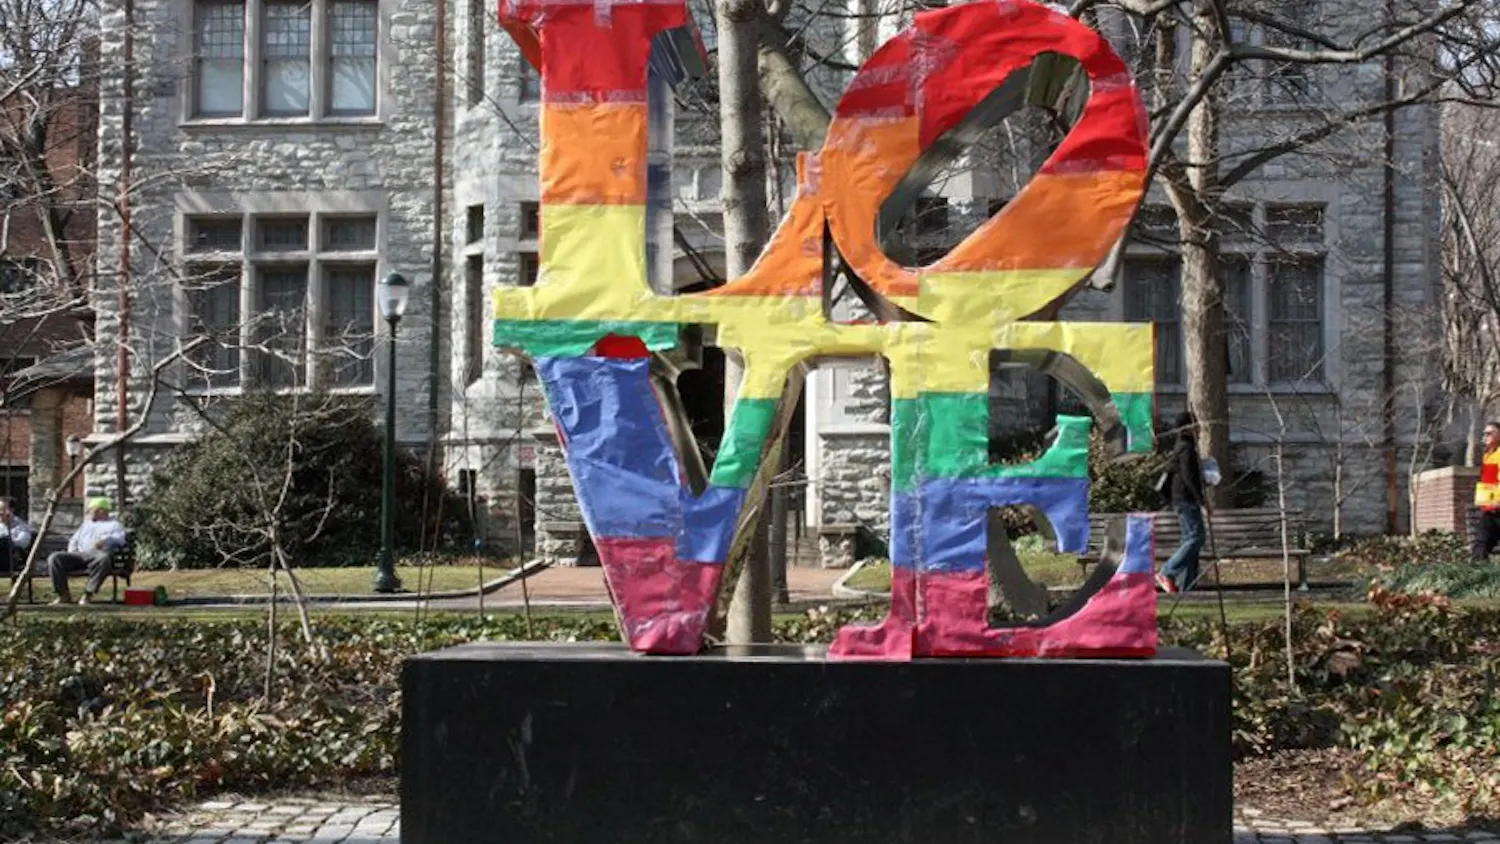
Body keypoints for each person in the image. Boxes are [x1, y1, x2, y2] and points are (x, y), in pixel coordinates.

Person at [1157, 411, 1206, 594]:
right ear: (1187, 428)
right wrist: (1201, 500)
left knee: (1190, 540)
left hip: (1183, 498)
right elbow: (1188, 476)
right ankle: (1167, 571)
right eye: (1195, 424)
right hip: (1186, 499)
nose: (1199, 428)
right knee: (1196, 538)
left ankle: (1188, 586)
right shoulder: (1185, 447)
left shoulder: (1184, 446)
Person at [48, 497, 127, 606]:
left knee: (103, 558)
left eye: (91, 510)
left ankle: (87, 594)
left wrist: (105, 540)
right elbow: (74, 540)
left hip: (98, 555)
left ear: (101, 510)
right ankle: (63, 595)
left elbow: (120, 539)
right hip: (80, 555)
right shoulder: (86, 525)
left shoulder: (114, 525)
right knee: (55, 558)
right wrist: (72, 551)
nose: (89, 513)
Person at [1472, 421, 1500, 561]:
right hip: (1490, 508)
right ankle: (1477, 576)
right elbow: (1489, 481)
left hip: (1497, 505)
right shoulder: (1488, 455)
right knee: (1480, 543)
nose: (1485, 436)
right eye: (1484, 434)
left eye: (1489, 433)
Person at [0, 497, 34, 578]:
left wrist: (8, 540)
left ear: (11, 510)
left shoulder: (21, 526)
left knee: (4, 541)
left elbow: (23, 543)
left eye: (3, 509)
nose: (0, 513)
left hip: (10, 559)